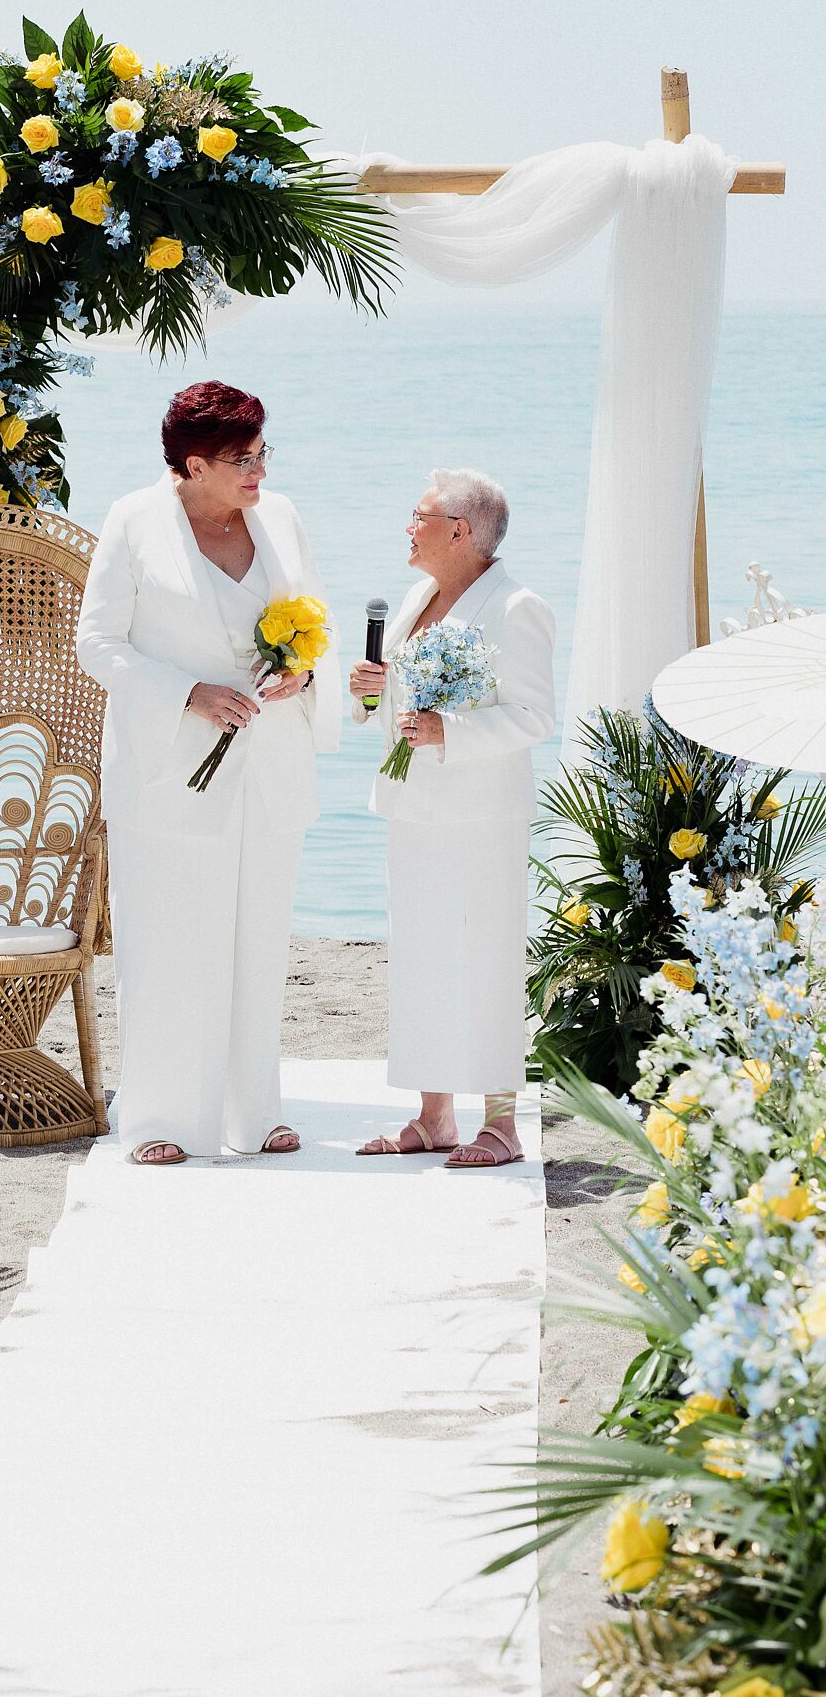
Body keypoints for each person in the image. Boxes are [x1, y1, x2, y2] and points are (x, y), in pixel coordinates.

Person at [76, 381, 341, 1164]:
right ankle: (160, 1119)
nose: (258, 469)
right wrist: (185, 692)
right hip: (168, 769)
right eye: (242, 458)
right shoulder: (132, 521)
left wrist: (304, 674)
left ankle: (252, 1114)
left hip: (268, 763)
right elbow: (98, 643)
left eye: (262, 452)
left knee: (258, 938)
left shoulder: (282, 517)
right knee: (166, 943)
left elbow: (312, 622)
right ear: (193, 464)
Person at [349, 470, 555, 1167]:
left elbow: (533, 716)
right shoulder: (415, 596)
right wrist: (370, 694)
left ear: (459, 531)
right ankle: (433, 1115)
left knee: (487, 958)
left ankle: (499, 1122)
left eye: (419, 515)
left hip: (481, 814)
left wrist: (451, 732)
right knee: (420, 957)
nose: (407, 526)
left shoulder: (516, 605)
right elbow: (405, 704)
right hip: (412, 809)